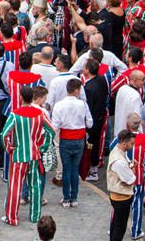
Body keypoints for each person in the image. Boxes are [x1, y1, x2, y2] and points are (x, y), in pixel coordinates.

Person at [2, 85, 55, 226]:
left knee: (15, 188)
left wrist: (10, 148)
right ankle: (35, 216)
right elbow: (51, 131)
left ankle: (12, 217)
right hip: (34, 155)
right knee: (35, 187)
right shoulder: (40, 114)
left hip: (19, 156)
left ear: (21, 97)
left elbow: (4, 135)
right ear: (32, 97)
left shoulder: (15, 114)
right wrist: (42, 147)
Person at [51, 78, 93, 208]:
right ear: (76, 91)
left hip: (65, 139)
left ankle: (66, 198)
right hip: (79, 139)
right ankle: (74, 198)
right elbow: (90, 123)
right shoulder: (83, 104)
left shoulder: (59, 105)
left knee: (66, 168)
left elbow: (55, 126)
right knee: (75, 169)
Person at [108, 129, 137, 241]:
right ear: (124, 144)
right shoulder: (119, 161)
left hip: (118, 195)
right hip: (121, 197)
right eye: (131, 143)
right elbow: (130, 179)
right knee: (119, 228)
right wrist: (133, 170)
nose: (132, 146)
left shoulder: (117, 150)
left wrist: (129, 167)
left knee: (116, 223)